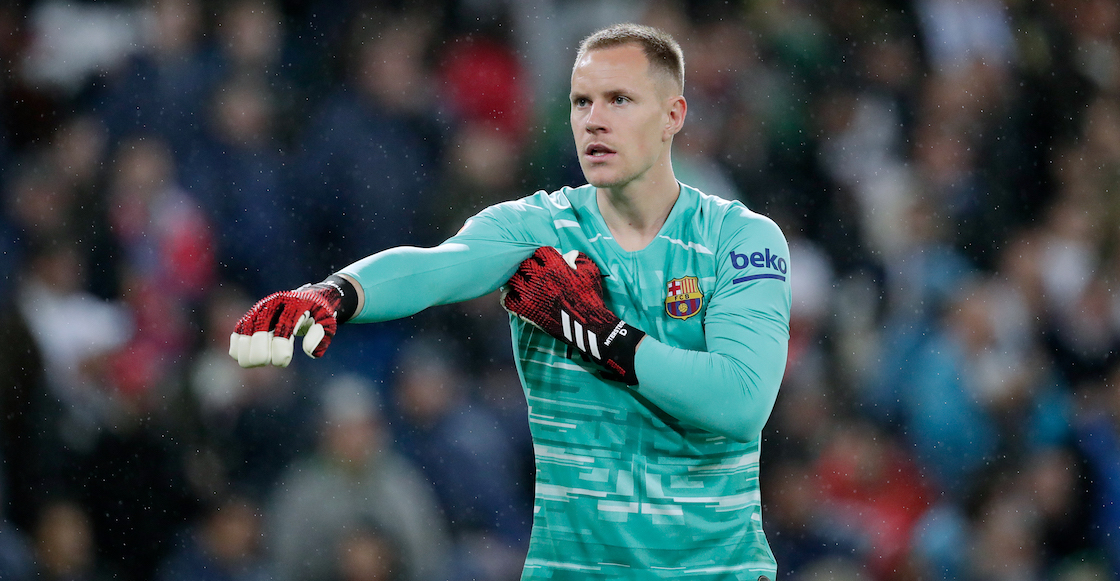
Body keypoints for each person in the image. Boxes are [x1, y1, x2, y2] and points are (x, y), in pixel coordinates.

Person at [231, 23, 791, 580]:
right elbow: (434, 267)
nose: (594, 119)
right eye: (581, 102)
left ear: (673, 115)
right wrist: (336, 291)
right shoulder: (538, 228)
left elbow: (739, 402)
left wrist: (597, 333)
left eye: (619, 99)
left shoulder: (739, 238)